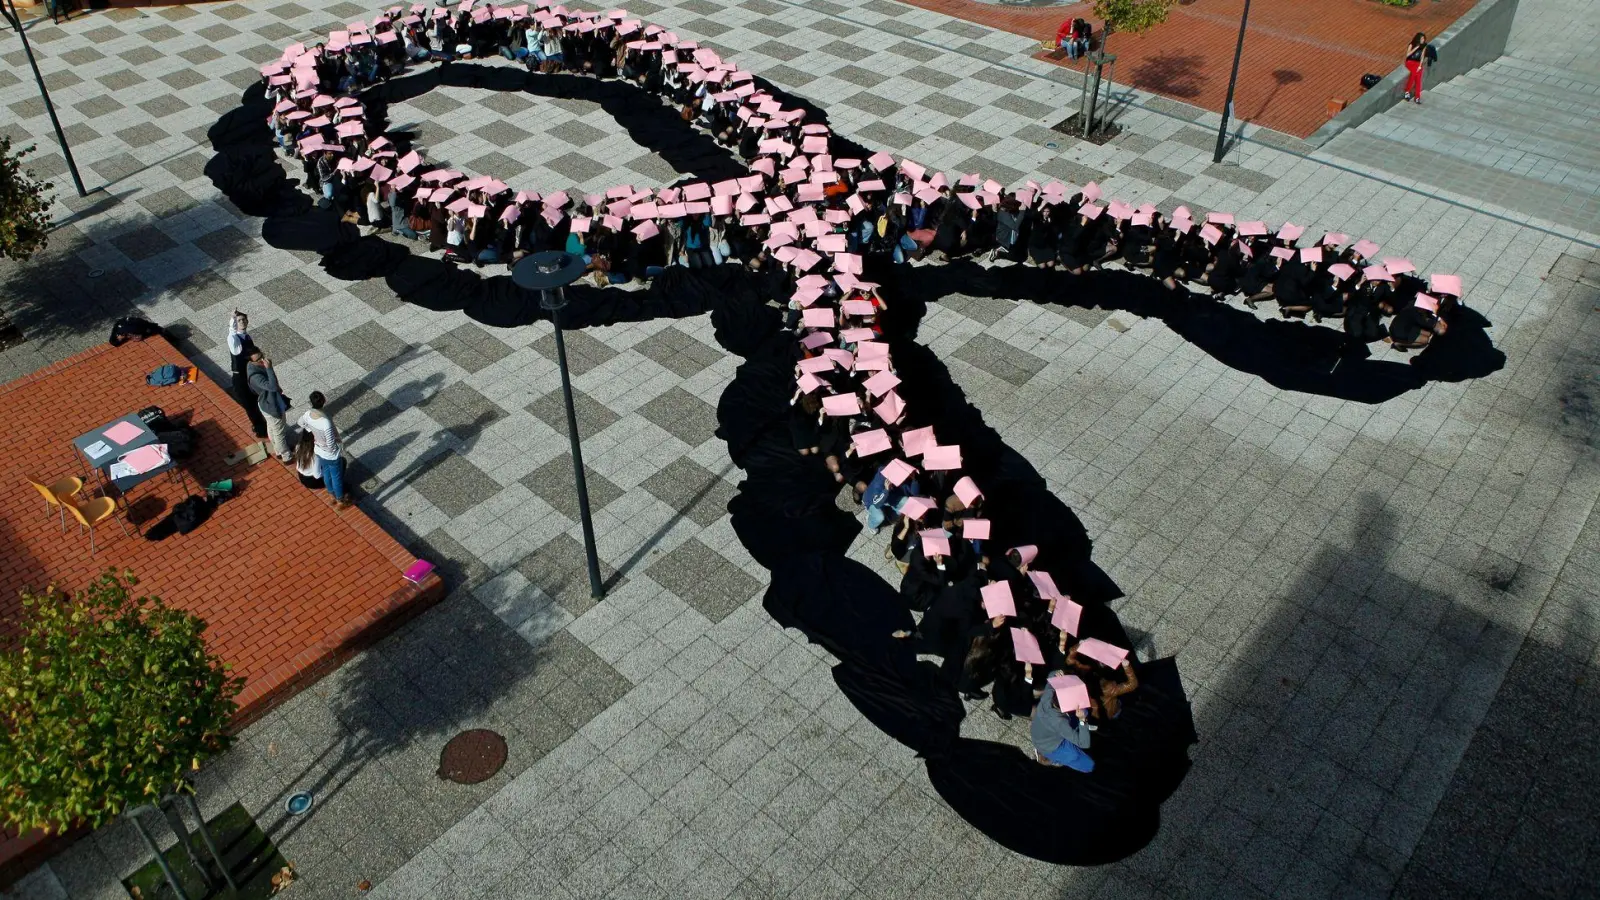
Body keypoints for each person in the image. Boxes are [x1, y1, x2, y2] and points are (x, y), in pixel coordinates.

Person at [1030, 670, 1095, 771]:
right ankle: (1051, 757)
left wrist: (1057, 674)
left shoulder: (1048, 695)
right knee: (1088, 765)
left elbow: (1051, 676)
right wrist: (1082, 720)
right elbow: (1084, 743)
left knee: (1084, 712)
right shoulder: (1060, 722)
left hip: (1040, 732)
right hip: (1051, 746)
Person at [297, 391, 350, 507]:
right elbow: (330, 443)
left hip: (318, 450)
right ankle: (340, 500)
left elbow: (300, 422)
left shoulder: (307, 414)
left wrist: (311, 431)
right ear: (323, 401)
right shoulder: (325, 421)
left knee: (326, 473)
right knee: (336, 477)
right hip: (330, 454)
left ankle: (331, 495)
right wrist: (334, 450)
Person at [226, 311, 268, 439]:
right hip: (241, 378)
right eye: (239, 320)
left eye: (244, 319)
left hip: (251, 374)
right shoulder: (234, 340)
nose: (242, 322)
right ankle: (261, 430)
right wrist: (232, 318)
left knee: (257, 401)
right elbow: (231, 334)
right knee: (250, 405)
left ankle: (263, 424)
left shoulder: (247, 336)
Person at [246, 349, 293, 463]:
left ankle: (278, 450)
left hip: (266, 403)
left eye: (262, 355)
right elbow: (272, 387)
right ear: (251, 362)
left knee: (272, 427)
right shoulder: (256, 377)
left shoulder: (252, 366)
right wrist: (269, 368)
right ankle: (286, 455)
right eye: (259, 359)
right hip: (271, 405)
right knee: (279, 432)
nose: (262, 360)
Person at [1404, 33, 1432, 103]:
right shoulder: (1412, 44)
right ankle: (1407, 91)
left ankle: (1417, 97)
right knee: (1413, 74)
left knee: (1418, 80)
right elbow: (1407, 55)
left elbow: (1422, 56)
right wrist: (1416, 48)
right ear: (1418, 39)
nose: (1423, 40)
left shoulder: (1424, 46)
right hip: (1410, 62)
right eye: (1421, 39)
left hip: (1417, 63)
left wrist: (1420, 65)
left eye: (1424, 39)